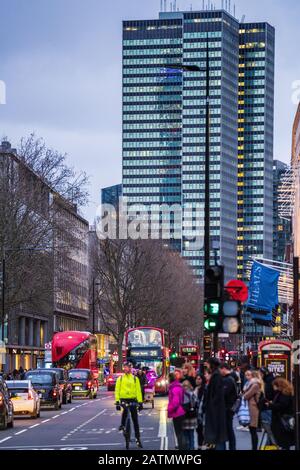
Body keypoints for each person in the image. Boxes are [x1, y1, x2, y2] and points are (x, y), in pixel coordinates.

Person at [115, 362, 143, 448]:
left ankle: (138, 438)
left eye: (128, 367)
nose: (126, 369)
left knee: (135, 420)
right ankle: (123, 425)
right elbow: (117, 390)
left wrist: (140, 402)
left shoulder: (135, 379)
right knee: (126, 410)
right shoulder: (120, 379)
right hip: (124, 399)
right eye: (125, 367)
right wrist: (117, 402)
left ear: (130, 368)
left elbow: (138, 391)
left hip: (133, 399)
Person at [203, 358, 227, 450]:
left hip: (216, 412)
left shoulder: (216, 376)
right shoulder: (216, 375)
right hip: (215, 410)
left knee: (217, 436)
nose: (207, 366)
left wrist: (211, 405)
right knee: (217, 436)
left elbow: (217, 394)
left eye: (208, 364)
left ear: (212, 365)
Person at [266, 377, 295, 450]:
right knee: (283, 439)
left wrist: (270, 405)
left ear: (279, 385)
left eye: (274, 385)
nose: (273, 387)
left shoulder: (284, 394)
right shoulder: (282, 393)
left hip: (282, 419)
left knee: (284, 439)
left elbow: (281, 405)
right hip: (281, 419)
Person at [243, 370, 264, 450]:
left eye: (249, 375)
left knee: (253, 430)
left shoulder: (255, 385)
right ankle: (254, 447)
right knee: (252, 430)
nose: (247, 377)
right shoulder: (253, 384)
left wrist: (244, 394)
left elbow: (246, 396)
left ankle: (254, 448)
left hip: (253, 408)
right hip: (252, 407)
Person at [220, 363, 238, 450]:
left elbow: (224, 394)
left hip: (228, 408)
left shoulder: (228, 380)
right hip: (228, 408)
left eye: (220, 370)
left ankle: (232, 448)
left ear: (224, 368)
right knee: (229, 429)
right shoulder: (230, 379)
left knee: (229, 429)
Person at [167, 372, 186, 450]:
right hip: (180, 412)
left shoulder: (174, 388)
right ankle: (182, 446)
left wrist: (169, 409)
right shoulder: (178, 386)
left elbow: (175, 402)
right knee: (180, 432)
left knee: (179, 433)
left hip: (177, 413)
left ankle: (182, 447)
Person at [194, 374, 205, 450]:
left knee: (202, 430)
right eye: (197, 379)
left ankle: (202, 445)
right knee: (198, 430)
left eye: (199, 379)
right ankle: (199, 445)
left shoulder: (204, 389)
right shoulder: (195, 389)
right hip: (197, 412)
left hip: (202, 413)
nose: (198, 380)